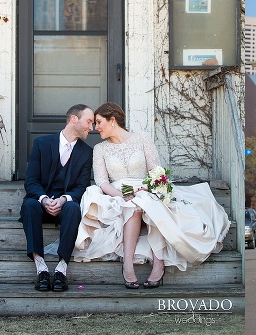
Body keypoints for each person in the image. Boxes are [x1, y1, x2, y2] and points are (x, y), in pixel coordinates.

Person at [71, 102, 231, 289]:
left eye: (99, 122)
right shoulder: (100, 149)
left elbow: (156, 171)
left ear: (112, 120)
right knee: (133, 205)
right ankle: (127, 266)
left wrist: (149, 188)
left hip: (146, 189)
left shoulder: (142, 139)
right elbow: (102, 181)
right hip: (117, 193)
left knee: (148, 202)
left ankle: (158, 264)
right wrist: (123, 194)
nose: (95, 128)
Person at [20, 104, 95, 292]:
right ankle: (41, 268)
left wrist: (63, 200)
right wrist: (44, 199)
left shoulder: (86, 152)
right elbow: (31, 181)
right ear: (74, 119)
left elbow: (81, 186)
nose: (91, 128)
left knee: (73, 208)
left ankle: (62, 268)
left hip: (65, 207)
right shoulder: (41, 144)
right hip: (40, 204)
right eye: (89, 122)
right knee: (29, 205)